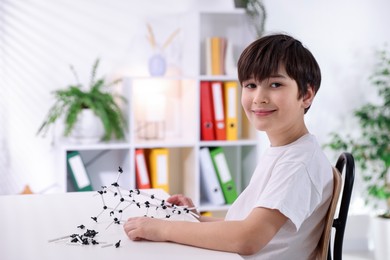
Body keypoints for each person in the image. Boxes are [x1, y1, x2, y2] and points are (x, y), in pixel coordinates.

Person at [123, 33, 333, 259]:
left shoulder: (299, 163)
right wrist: (195, 219)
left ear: (307, 95)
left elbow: (248, 238)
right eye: (250, 85)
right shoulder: (287, 150)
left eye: (275, 84)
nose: (258, 97)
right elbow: (244, 226)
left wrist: (162, 229)